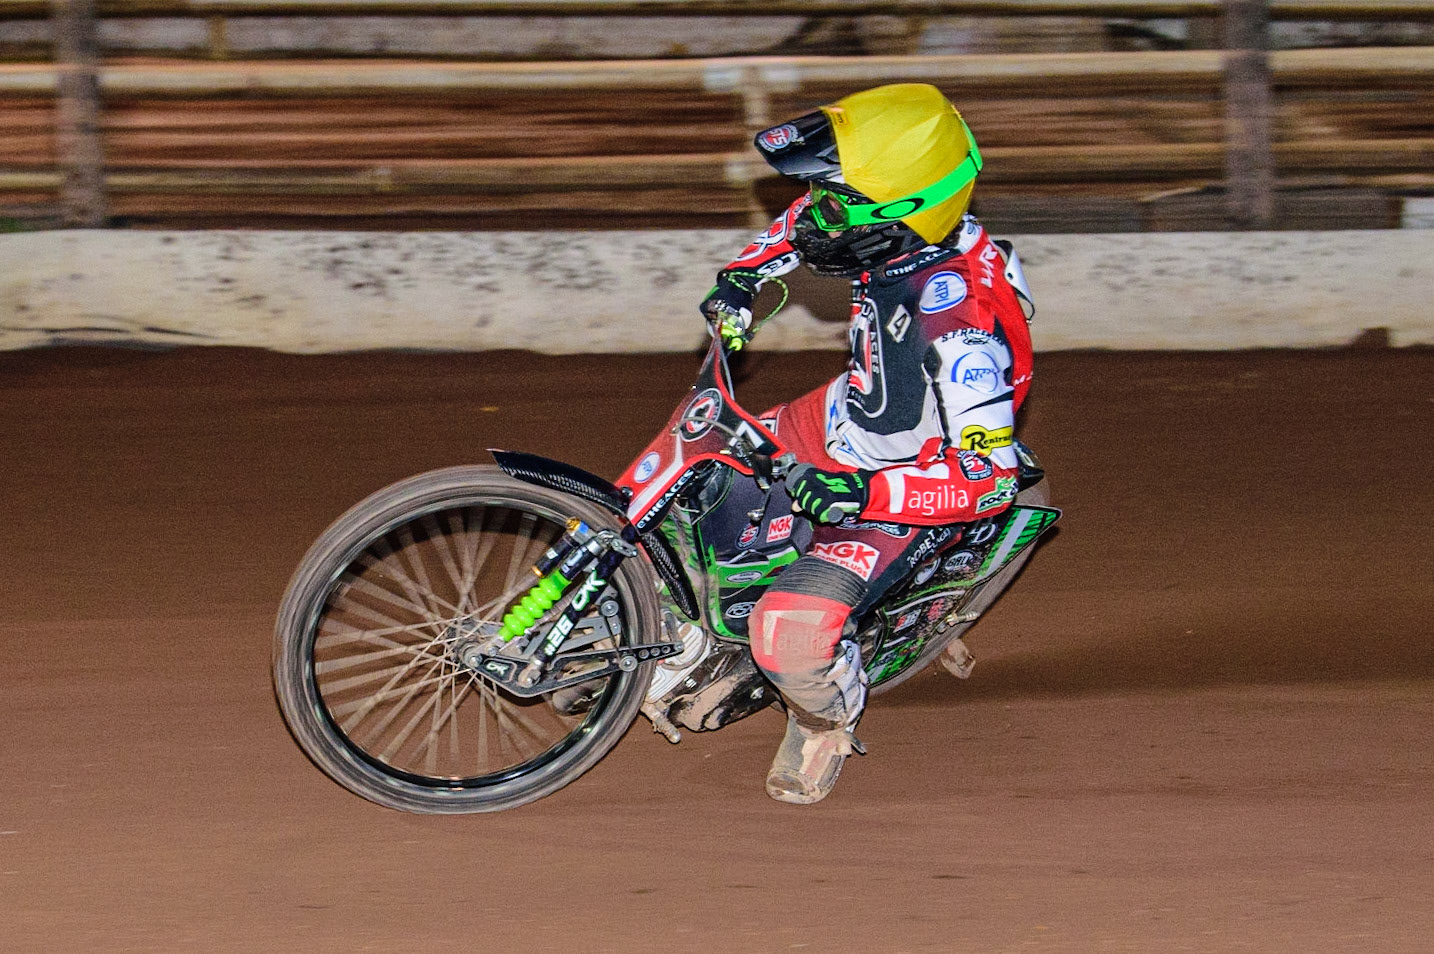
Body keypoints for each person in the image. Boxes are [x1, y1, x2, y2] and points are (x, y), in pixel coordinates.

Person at [699, 83, 1036, 805]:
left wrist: (868, 493)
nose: (817, 217)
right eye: (826, 195)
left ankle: (826, 720)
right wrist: (742, 277)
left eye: (837, 202)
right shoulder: (906, 226)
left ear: (902, 211)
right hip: (855, 412)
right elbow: (804, 219)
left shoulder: (964, 330)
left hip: (917, 476)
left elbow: (991, 478)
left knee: (785, 632)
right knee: (711, 466)